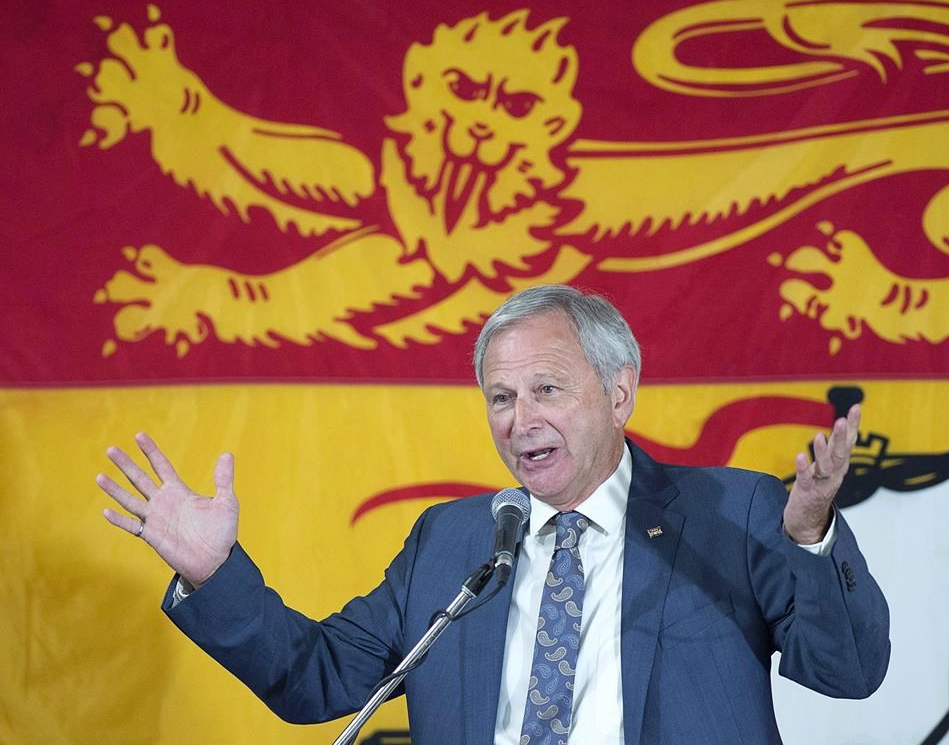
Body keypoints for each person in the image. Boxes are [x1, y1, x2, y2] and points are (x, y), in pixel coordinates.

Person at [98, 285, 889, 744]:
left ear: (618, 394)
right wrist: (213, 574)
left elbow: (849, 674)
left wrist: (810, 538)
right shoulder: (456, 540)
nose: (520, 420)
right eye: (501, 399)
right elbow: (318, 681)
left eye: (547, 390)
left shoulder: (735, 510)